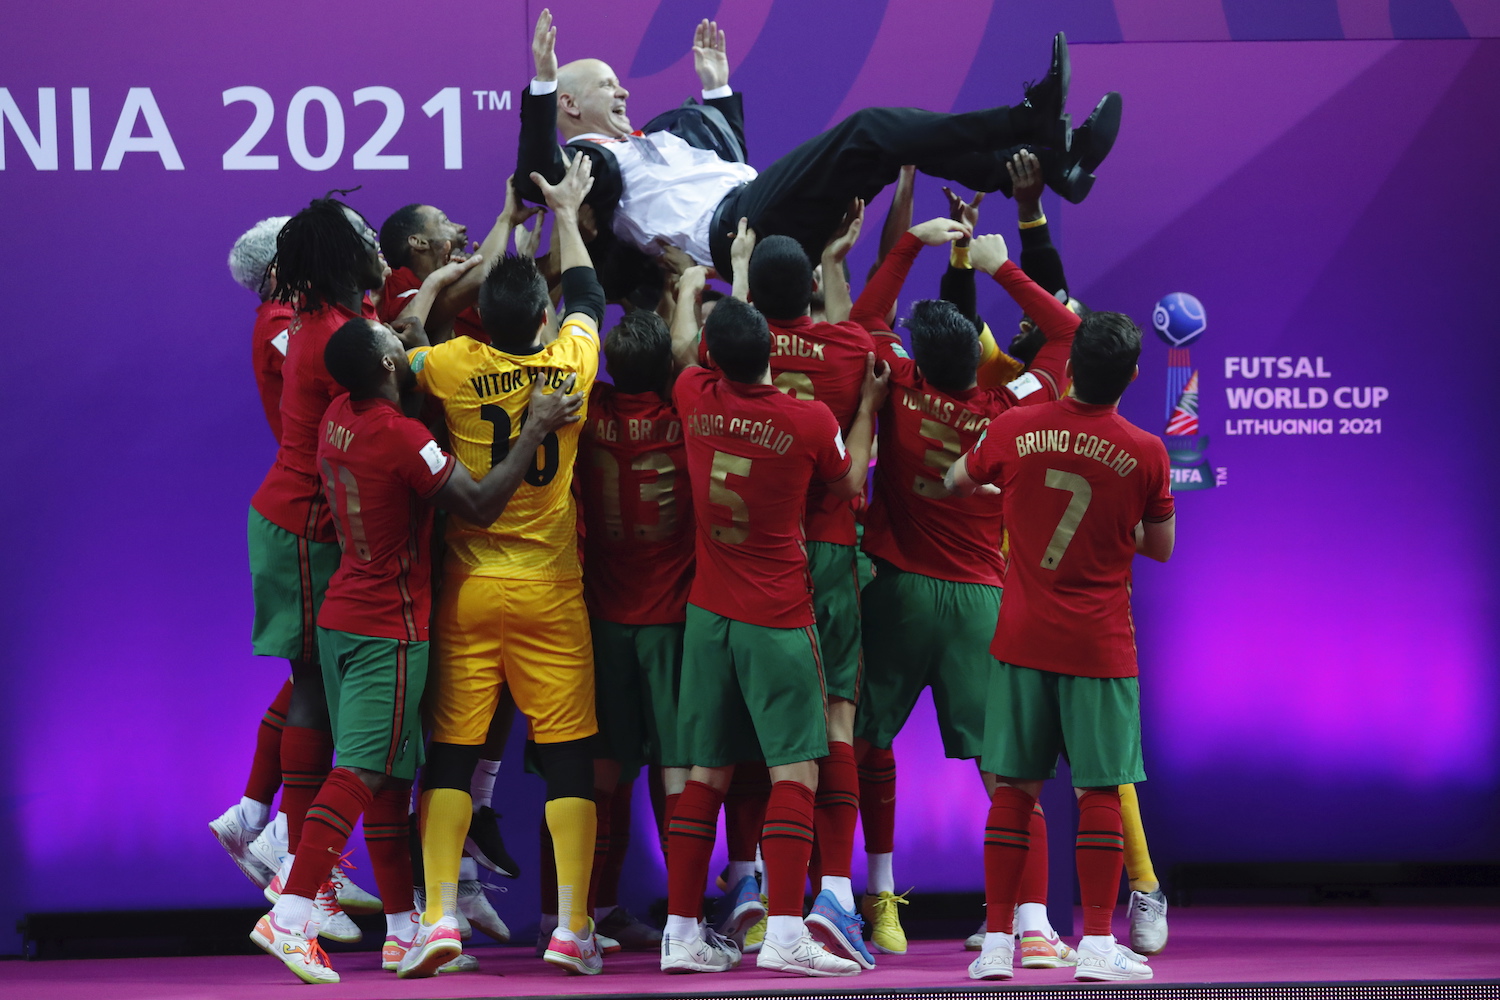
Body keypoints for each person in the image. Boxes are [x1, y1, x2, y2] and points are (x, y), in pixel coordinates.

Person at [251, 310, 583, 984]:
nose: (404, 346)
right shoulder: (402, 439)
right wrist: (537, 424)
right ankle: (290, 913)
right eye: (393, 345)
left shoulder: (335, 417)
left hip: (342, 614)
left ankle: (403, 932)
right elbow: (483, 502)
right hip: (387, 628)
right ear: (381, 369)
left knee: (395, 780)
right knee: (365, 772)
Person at [728, 210, 969, 970]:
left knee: (746, 741)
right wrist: (892, 247)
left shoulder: (712, 360)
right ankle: (831, 893)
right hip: (829, 555)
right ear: (809, 289)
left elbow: (719, 331)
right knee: (836, 724)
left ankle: (760, 894)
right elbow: (865, 317)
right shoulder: (853, 351)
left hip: (744, 569)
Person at [851, 226, 1081, 964]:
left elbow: (865, 322)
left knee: (860, 744)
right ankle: (1034, 923)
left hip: (897, 593)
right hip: (981, 603)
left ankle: (877, 900)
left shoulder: (897, 382)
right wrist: (999, 265)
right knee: (1008, 774)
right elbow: (1066, 333)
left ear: (919, 358)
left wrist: (910, 245)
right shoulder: (1007, 409)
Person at [408, 153, 611, 976]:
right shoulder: (568, 364)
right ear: (541, 318)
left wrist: (429, 293)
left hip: (470, 589)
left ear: (481, 318)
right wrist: (565, 210)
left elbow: (411, 343)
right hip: (551, 594)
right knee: (567, 758)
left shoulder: (454, 365)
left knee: (452, 756)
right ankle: (570, 930)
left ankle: (440, 920)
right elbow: (590, 295)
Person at [516, 9, 1122, 283]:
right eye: (605, 86)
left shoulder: (657, 140)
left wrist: (718, 88)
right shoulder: (588, 163)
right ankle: (1026, 121)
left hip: (753, 208)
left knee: (885, 148)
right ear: (569, 106)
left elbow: (733, 165)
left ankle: (1051, 164)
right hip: (734, 237)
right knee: (869, 128)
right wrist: (543, 80)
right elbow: (539, 174)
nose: (623, 90)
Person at [660, 290, 885, 978]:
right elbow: (848, 481)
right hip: (779, 616)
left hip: (707, 617)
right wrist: (870, 408)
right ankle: (787, 931)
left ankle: (681, 933)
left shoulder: (693, 392)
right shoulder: (809, 418)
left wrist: (693, 286)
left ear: (713, 357)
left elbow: (681, 345)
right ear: (771, 355)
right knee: (797, 769)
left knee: (706, 772)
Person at [945, 311, 1175, 982]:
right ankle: (1099, 948)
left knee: (1013, 792)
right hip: (1100, 648)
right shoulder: (1146, 452)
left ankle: (996, 945)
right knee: (1101, 793)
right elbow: (1160, 546)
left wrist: (1011, 491)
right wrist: (1114, 524)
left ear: (1069, 370)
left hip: (1021, 641)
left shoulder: (1014, 428)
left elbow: (961, 478)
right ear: (1132, 376)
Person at [244, 196, 402, 941]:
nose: (376, 243)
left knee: (318, 684)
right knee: (311, 682)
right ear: (338, 262)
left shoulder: (328, 322)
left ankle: (292, 845)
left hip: (304, 522)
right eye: (363, 238)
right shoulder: (333, 336)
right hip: (303, 525)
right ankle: (299, 872)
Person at [574, 308, 693, 950]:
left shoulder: (586, 415)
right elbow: (690, 361)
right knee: (676, 773)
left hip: (602, 622)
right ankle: (684, 925)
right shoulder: (685, 422)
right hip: (671, 623)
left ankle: (579, 918)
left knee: (602, 773)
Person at [212, 215, 295, 890]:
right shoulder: (280, 321)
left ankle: (256, 816)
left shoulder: (300, 311)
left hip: (326, 505)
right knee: (326, 681)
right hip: (304, 513)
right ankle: (285, 842)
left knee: (321, 679)